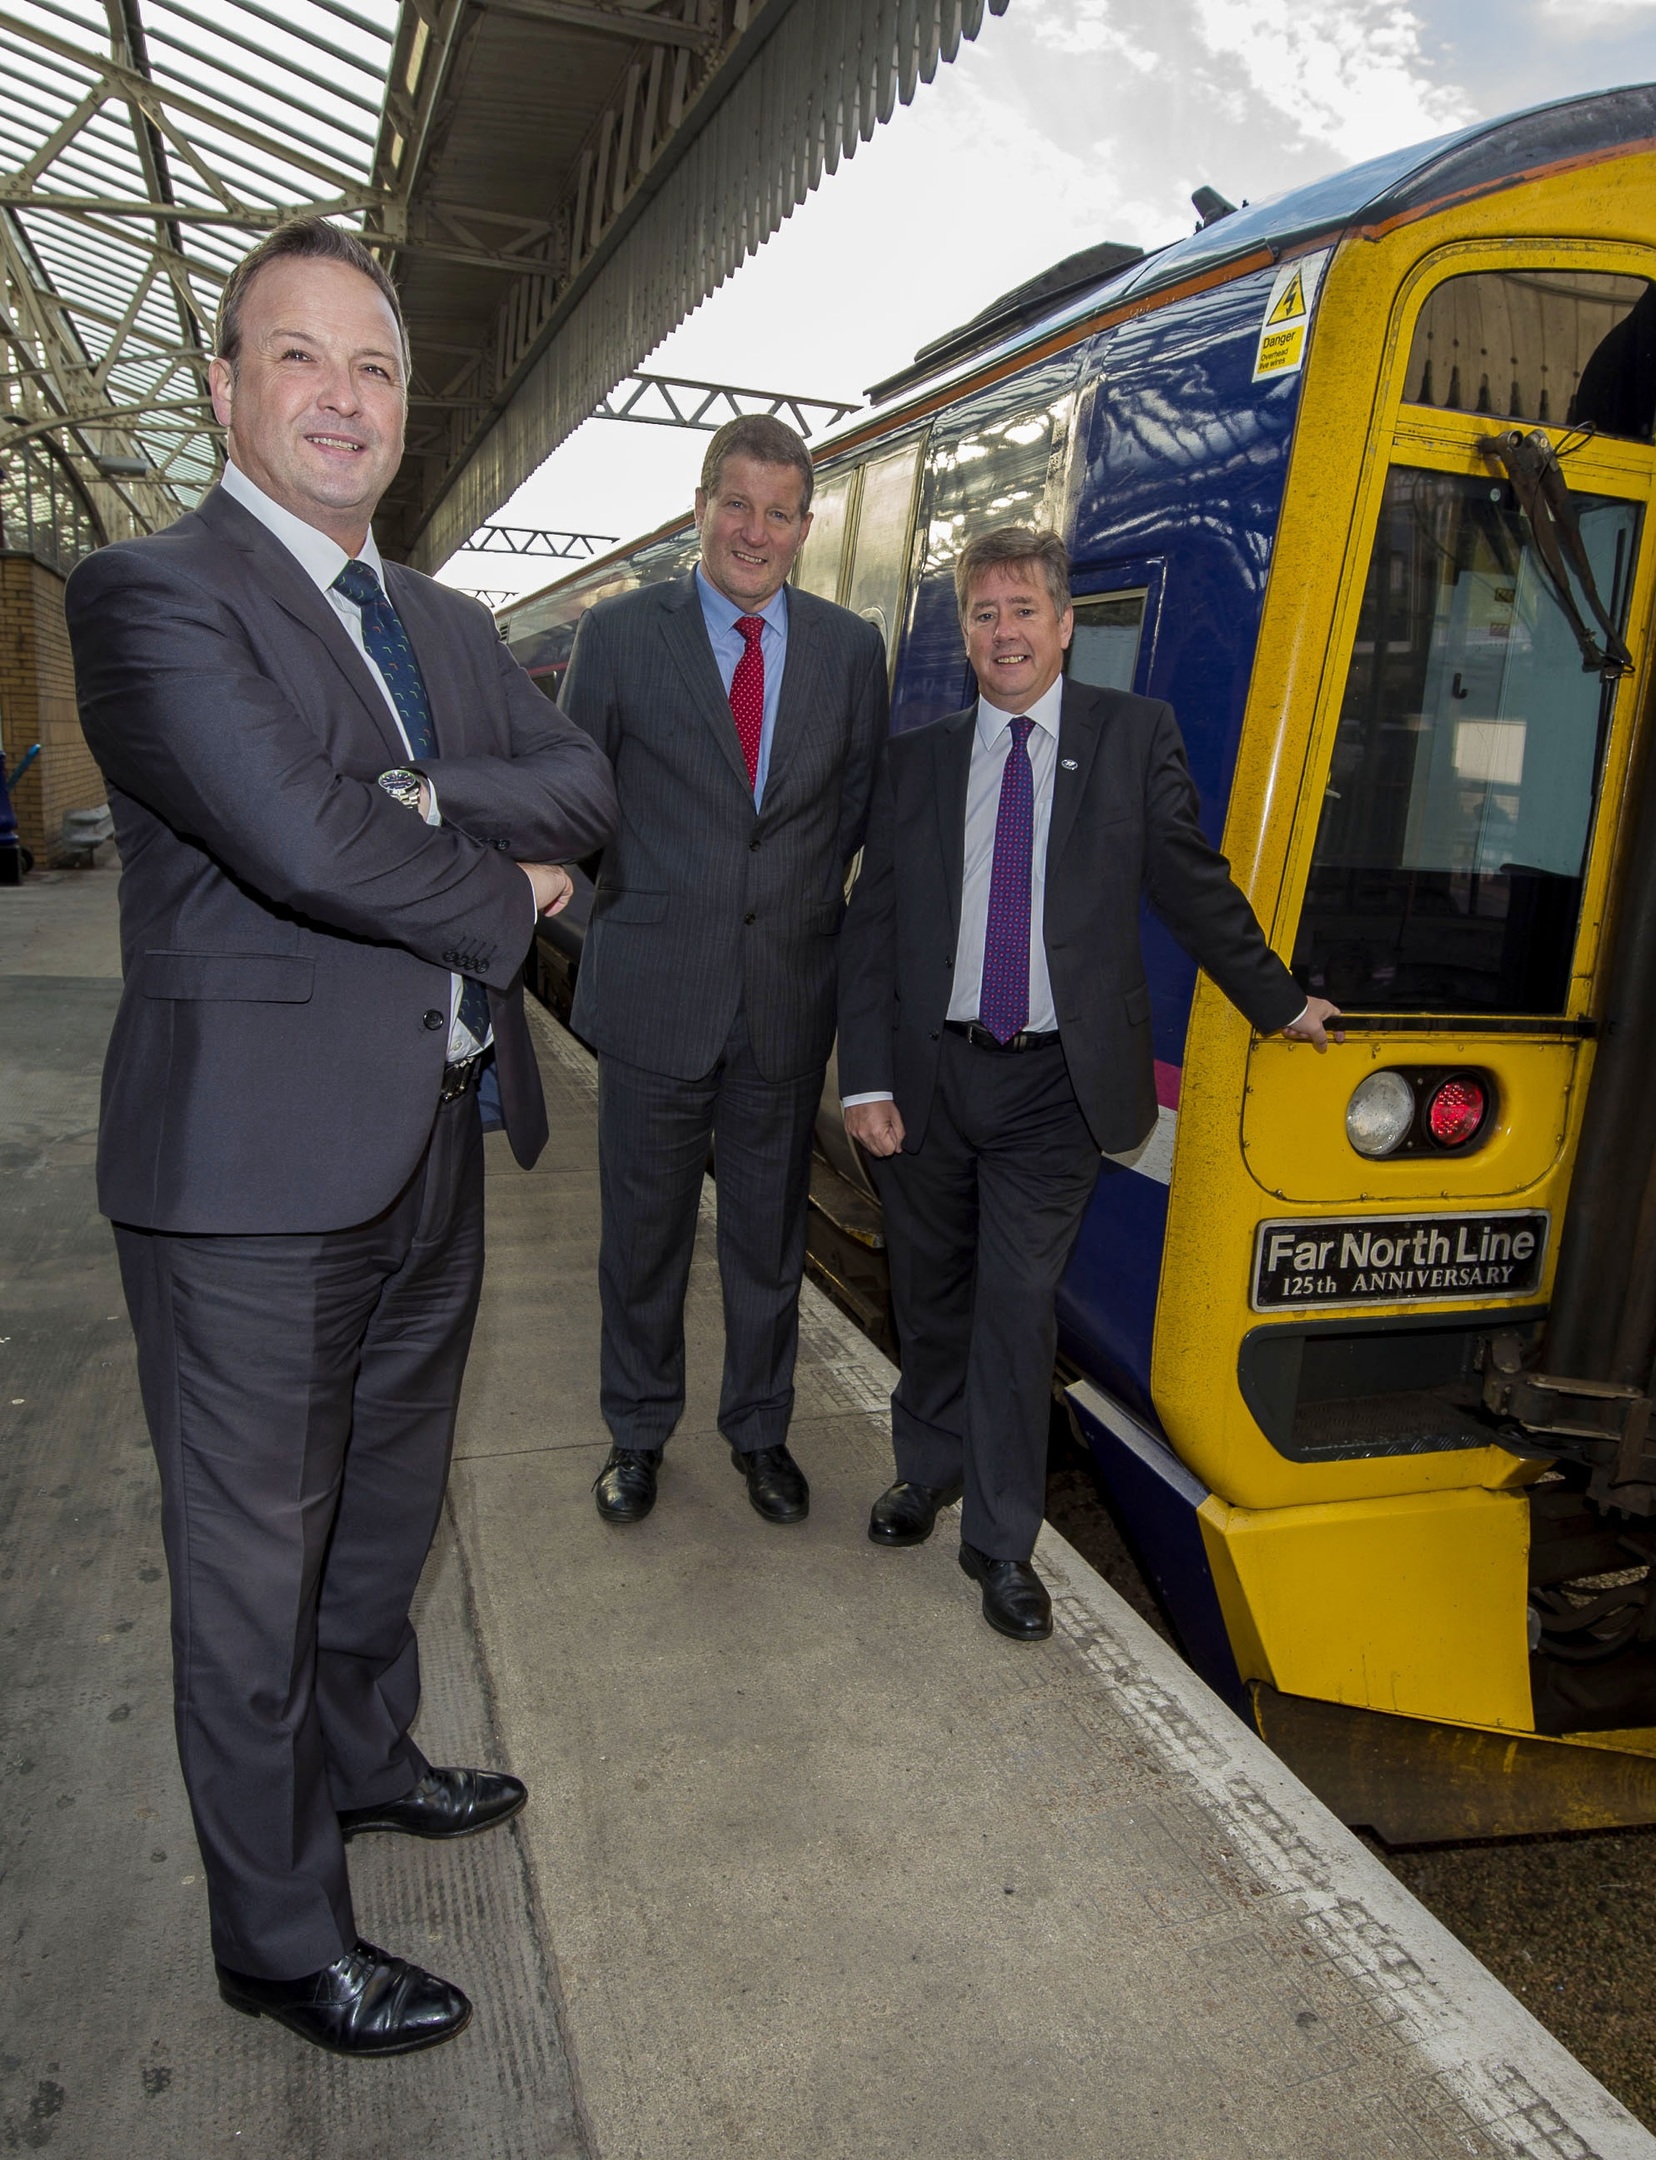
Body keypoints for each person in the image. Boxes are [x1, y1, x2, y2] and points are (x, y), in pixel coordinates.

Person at [66, 217, 615, 2057]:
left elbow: (583, 785)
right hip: (245, 1181)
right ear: (227, 390)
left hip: (436, 1132)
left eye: (373, 367)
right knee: (248, 1571)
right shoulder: (152, 593)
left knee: (380, 1517)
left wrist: (410, 784)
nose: (341, 395)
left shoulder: (444, 624)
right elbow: (289, 838)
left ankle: (369, 1758)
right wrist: (498, 884)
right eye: (298, 357)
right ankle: (278, 1933)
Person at [838, 526, 1342, 1641]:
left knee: (1018, 1312)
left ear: (1067, 627)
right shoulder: (917, 760)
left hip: (1055, 1089)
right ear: (963, 634)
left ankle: (1002, 1542)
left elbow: (1190, 881)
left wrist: (1280, 999)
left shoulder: (1130, 737)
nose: (1004, 632)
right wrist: (864, 1076)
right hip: (926, 1078)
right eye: (984, 613)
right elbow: (870, 929)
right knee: (928, 1294)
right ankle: (926, 1468)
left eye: (1025, 611)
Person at [560, 416, 889, 1529]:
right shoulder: (618, 637)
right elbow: (577, 801)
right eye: (736, 504)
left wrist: (779, 913)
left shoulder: (851, 653)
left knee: (767, 1240)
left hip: (783, 1000)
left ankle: (759, 1431)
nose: (756, 530)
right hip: (656, 992)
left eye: (779, 512)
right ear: (702, 505)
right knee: (641, 1238)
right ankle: (636, 1433)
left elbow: (848, 819)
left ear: (806, 526)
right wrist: (660, 903)